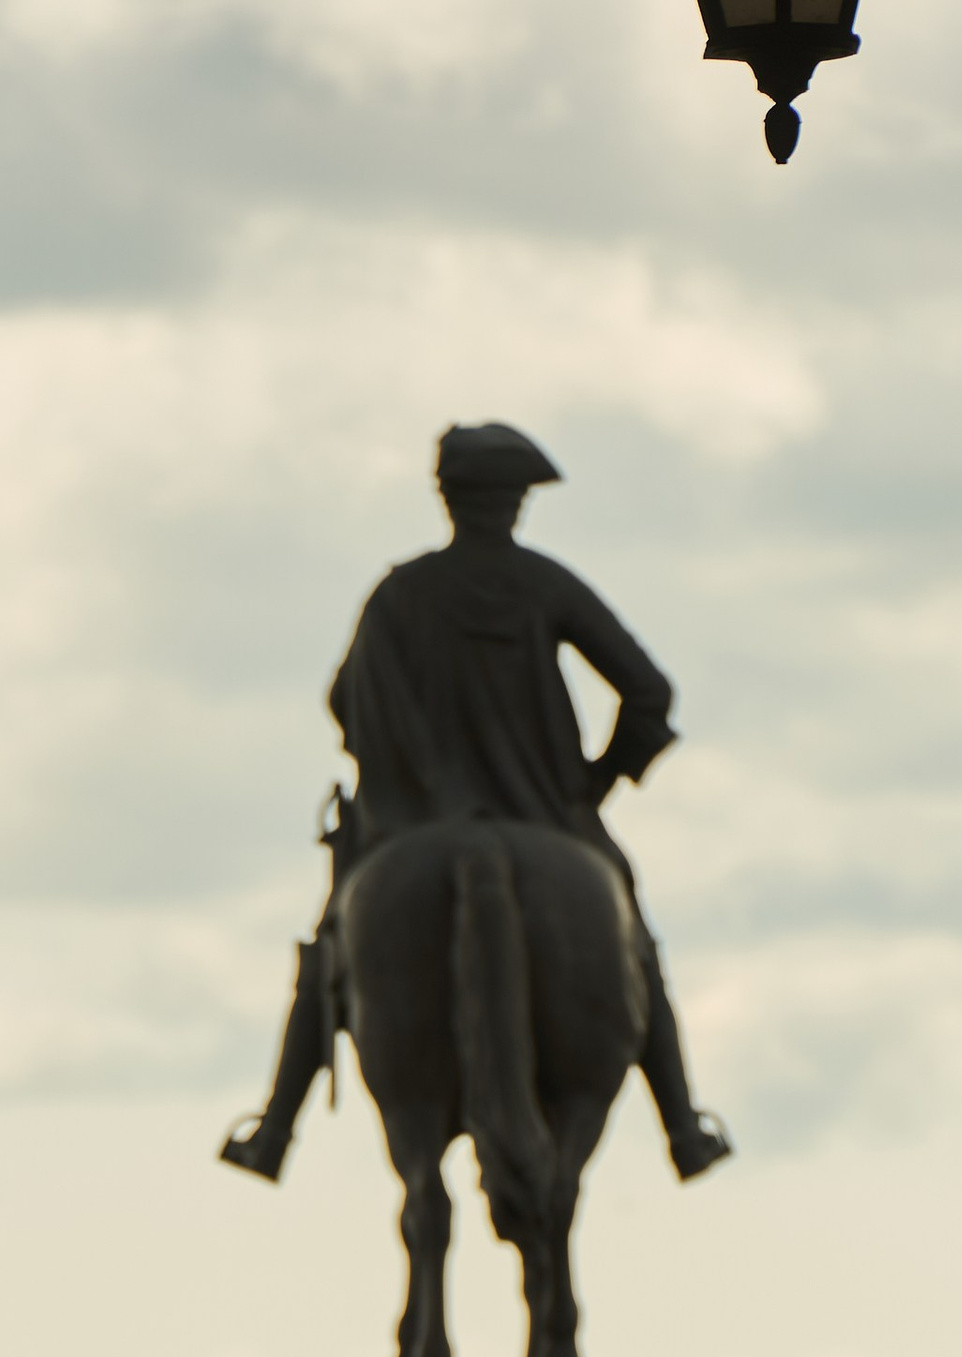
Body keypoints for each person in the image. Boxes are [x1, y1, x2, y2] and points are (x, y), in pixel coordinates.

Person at [220, 420, 730, 1189]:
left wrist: (405, 769)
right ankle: (683, 1129)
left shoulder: (398, 595)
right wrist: (595, 782)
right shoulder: (548, 585)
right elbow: (650, 694)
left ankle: (274, 1132)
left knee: (328, 954)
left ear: (448, 498)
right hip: (547, 816)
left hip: (415, 822)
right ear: (516, 502)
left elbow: (343, 703)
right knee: (637, 949)